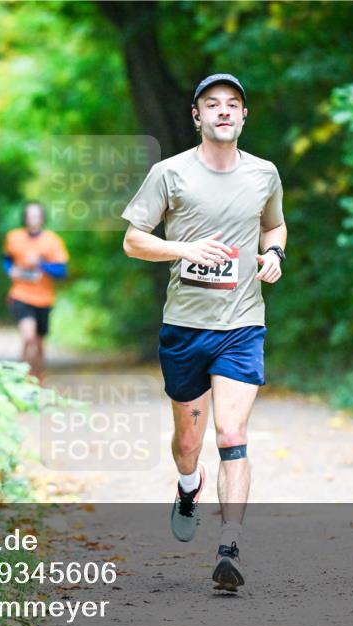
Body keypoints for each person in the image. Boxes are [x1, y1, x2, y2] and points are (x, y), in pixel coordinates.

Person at [121, 73, 287, 591]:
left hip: (241, 324)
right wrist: (184, 250)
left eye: (232, 104)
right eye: (211, 105)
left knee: (232, 435)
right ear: (196, 117)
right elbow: (133, 241)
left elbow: (274, 225)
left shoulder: (264, 174)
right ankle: (188, 487)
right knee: (189, 445)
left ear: (244, 116)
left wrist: (275, 254)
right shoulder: (169, 174)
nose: (222, 112)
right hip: (185, 328)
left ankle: (230, 546)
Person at [2, 202, 69, 381]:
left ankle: (38, 376)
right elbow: (6, 260)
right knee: (28, 336)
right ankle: (23, 377)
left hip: (44, 299)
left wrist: (40, 264)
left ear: (42, 218)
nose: (33, 220)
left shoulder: (52, 241)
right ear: (25, 218)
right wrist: (10, 270)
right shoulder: (14, 237)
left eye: (37, 216)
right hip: (20, 295)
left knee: (38, 343)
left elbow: (62, 271)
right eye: (30, 216)